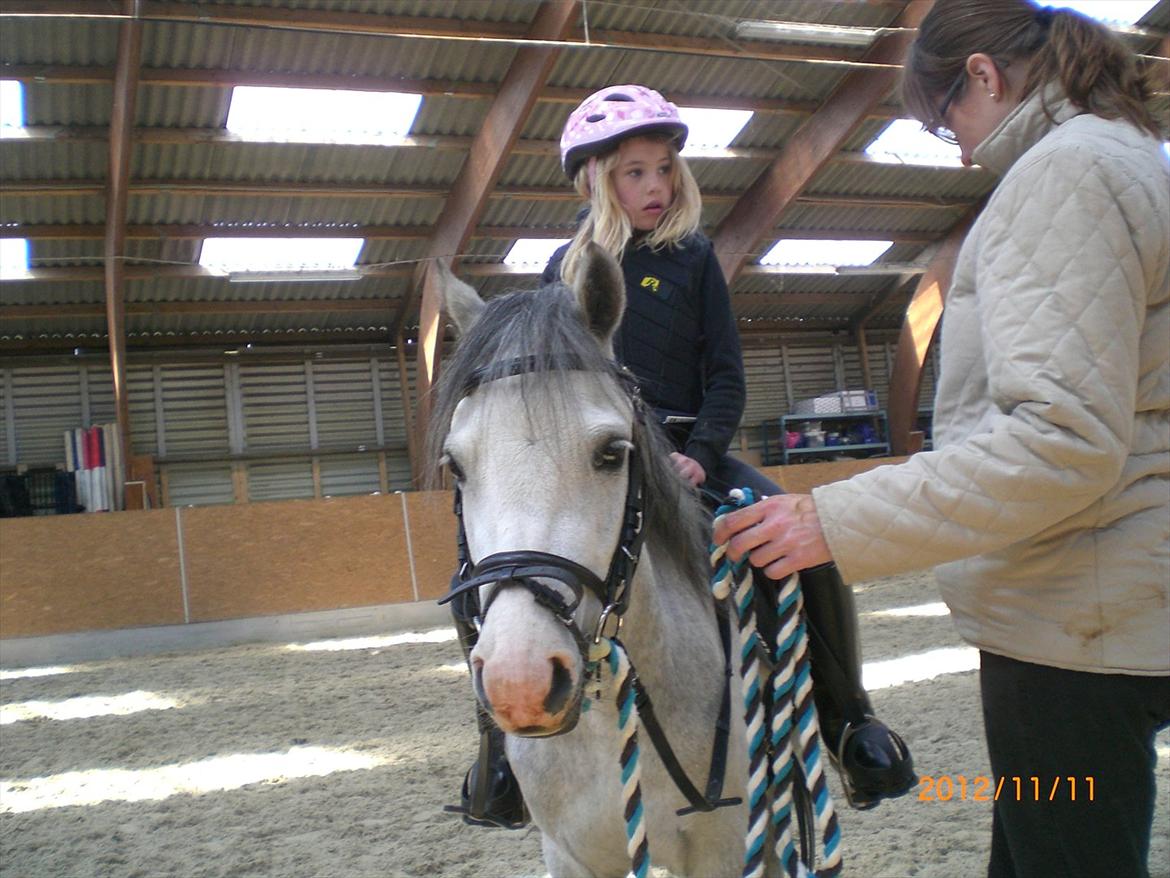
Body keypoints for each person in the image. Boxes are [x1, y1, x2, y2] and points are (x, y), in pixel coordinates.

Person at [713, 3, 1170, 876]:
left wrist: (833, 519)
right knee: (1037, 844)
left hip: (1078, 609)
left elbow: (1061, 440)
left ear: (986, 77)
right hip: (1112, 589)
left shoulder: (1065, 175)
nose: (957, 148)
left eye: (945, 119)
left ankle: (848, 722)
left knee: (1062, 846)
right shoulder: (1125, 157)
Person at [450, 83, 916, 829]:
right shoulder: (558, 271)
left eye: (664, 169)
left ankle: (850, 722)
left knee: (805, 548)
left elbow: (726, 374)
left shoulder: (694, 259)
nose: (657, 186)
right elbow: (549, 397)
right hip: (601, 461)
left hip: (691, 456)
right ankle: (498, 757)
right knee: (487, 570)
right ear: (597, 178)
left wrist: (700, 454)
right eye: (636, 171)